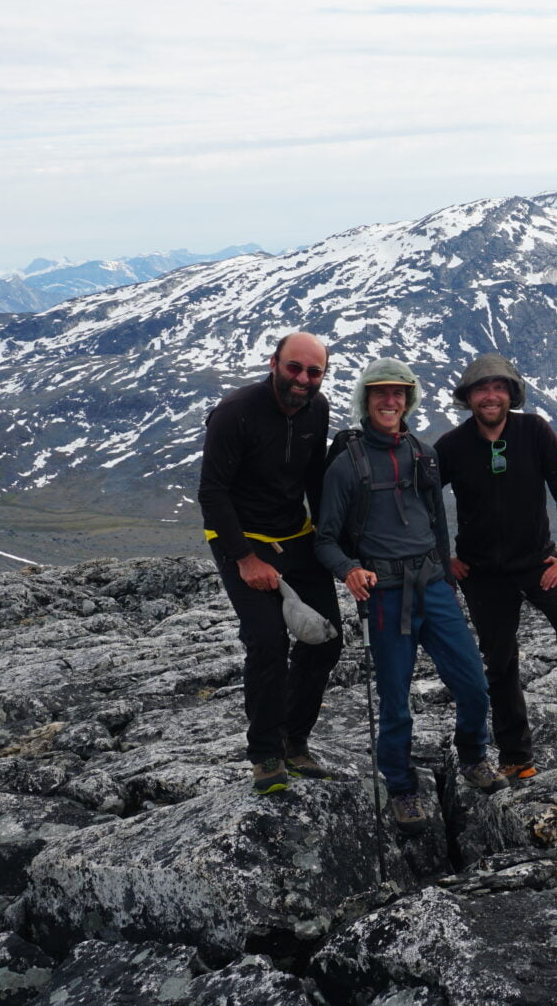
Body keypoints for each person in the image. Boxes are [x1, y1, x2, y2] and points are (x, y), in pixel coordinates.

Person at [315, 358, 509, 833]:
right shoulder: (347, 464)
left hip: (433, 587)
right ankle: (402, 788)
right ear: (367, 398)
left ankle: (472, 757)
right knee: (396, 698)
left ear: (409, 400)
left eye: (398, 393)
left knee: (473, 684)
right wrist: (349, 570)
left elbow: (438, 524)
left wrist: (445, 576)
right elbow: (324, 538)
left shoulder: (423, 453)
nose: (390, 401)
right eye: (380, 393)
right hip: (383, 596)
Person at [434, 352, 557, 785]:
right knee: (500, 659)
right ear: (468, 398)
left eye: (499, 387)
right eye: (481, 389)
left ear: (512, 393)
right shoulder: (451, 446)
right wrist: (442, 556)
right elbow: (420, 503)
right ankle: (514, 755)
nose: (490, 396)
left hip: (537, 562)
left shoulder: (534, 431)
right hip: (482, 571)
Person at [197, 331, 346, 794]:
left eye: (314, 371)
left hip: (296, 535)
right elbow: (212, 492)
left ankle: (294, 744)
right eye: (294, 368)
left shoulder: (315, 410)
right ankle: (265, 755)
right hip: (241, 538)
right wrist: (244, 558)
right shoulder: (235, 412)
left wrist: (331, 539)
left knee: (324, 639)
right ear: (273, 363)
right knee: (266, 641)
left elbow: (313, 479)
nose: (303, 379)